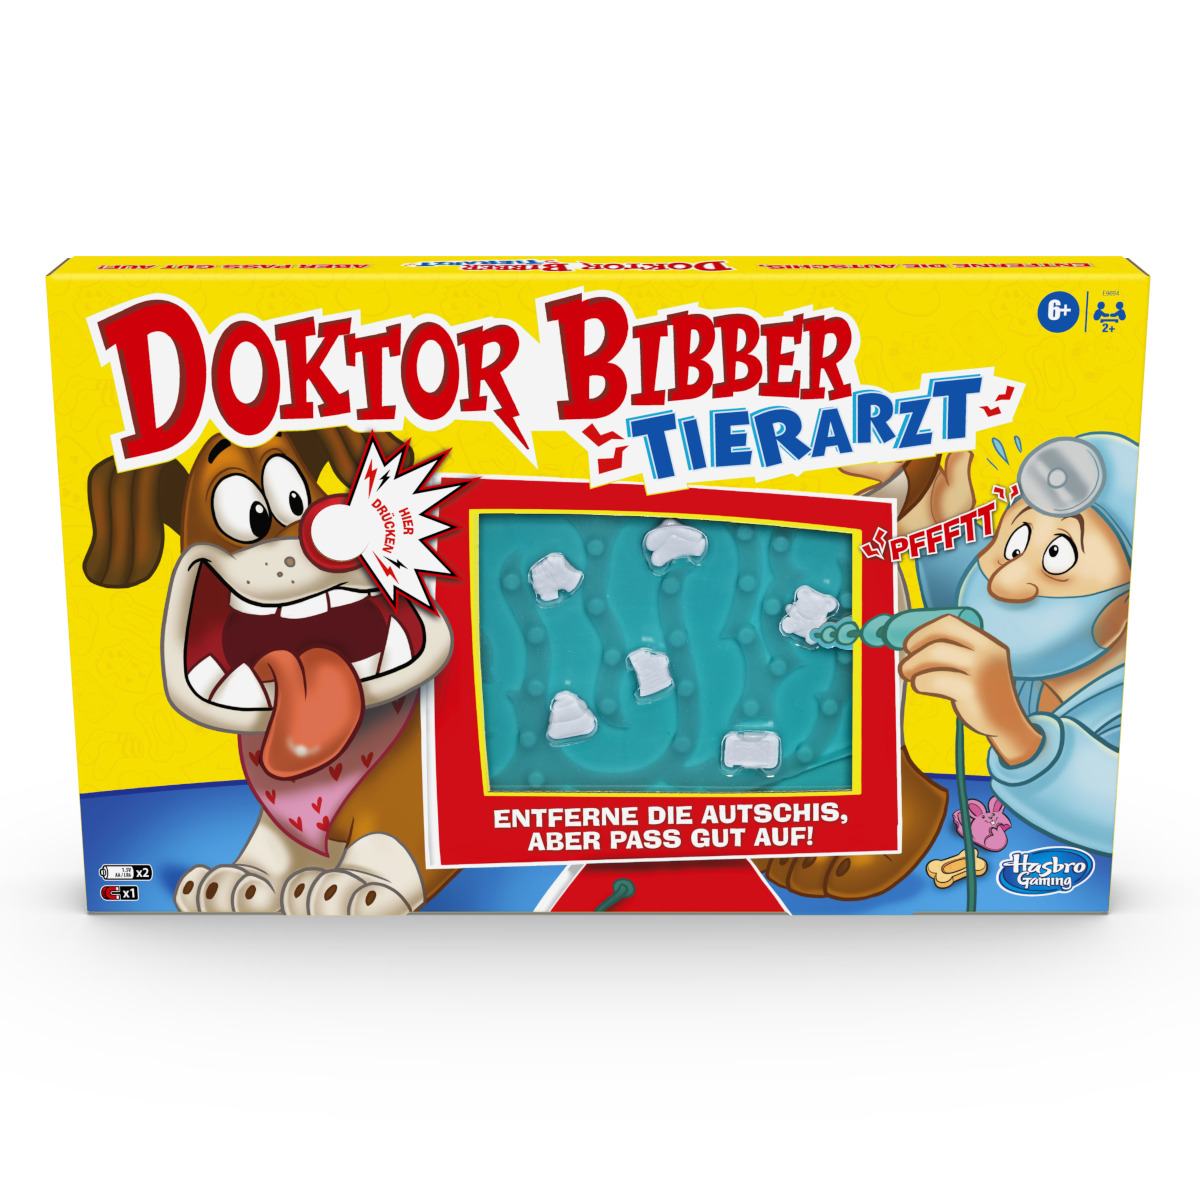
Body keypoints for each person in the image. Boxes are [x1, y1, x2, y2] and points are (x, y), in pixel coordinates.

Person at [882, 433, 1136, 856]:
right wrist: (937, 529)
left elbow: (1134, 817)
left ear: (1128, 605)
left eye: (1057, 556)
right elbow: (982, 620)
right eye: (1014, 545)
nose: (1004, 581)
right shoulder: (1041, 667)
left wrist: (1017, 736)